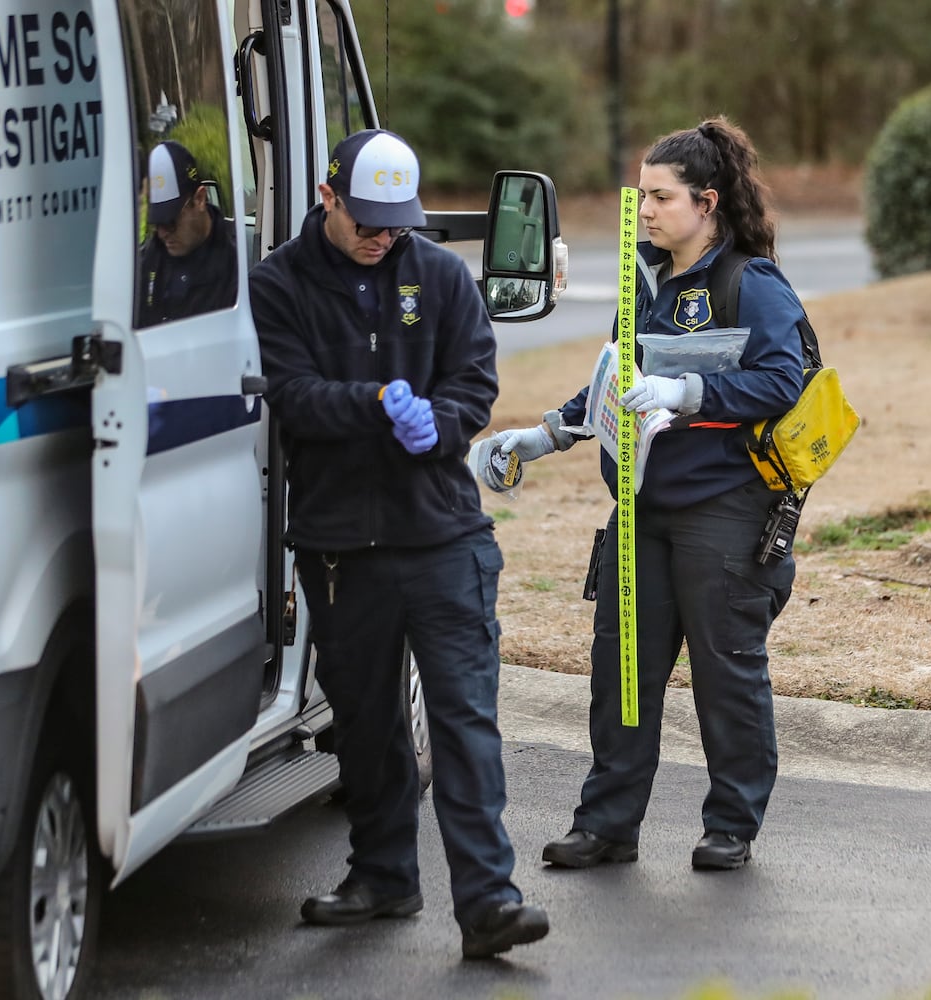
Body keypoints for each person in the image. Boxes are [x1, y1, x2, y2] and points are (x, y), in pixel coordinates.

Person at [249, 128, 548, 960]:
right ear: (327, 197)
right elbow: (293, 396)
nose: (383, 237)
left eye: (396, 223)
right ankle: (382, 877)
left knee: (461, 719)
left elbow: (473, 386)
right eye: (367, 220)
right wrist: (377, 403)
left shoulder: (442, 276)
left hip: (441, 534)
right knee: (367, 724)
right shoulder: (279, 283)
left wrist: (440, 425)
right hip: (340, 544)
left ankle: (489, 900)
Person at [493, 116, 804, 872]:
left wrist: (687, 387)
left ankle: (730, 825)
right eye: (641, 197)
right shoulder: (640, 281)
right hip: (639, 508)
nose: (646, 211)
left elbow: (781, 379)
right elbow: (613, 378)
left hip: (723, 511)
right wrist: (549, 432)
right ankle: (606, 825)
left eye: (660, 198)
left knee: (725, 672)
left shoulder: (747, 283)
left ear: (706, 202)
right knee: (620, 671)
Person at [138, 140, 238, 325]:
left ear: (200, 199)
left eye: (169, 222)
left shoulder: (234, 266)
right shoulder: (150, 256)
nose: (162, 234)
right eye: (157, 223)